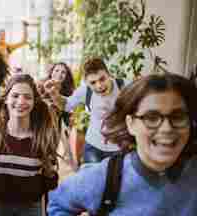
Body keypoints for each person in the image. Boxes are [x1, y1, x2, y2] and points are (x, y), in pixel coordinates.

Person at [48, 73, 197, 215]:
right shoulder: (104, 178)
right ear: (130, 124)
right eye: (151, 118)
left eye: (178, 117)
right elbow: (58, 202)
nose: (167, 128)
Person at [0, 74, 60, 216]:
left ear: (35, 102)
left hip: (31, 208)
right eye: (15, 96)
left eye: (27, 97)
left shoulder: (42, 139)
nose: (21, 101)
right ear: (5, 99)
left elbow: (51, 182)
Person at [45, 57, 128, 164]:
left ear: (109, 74)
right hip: (93, 147)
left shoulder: (124, 87)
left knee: (114, 180)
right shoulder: (85, 90)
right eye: (93, 82)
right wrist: (54, 94)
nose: (99, 86)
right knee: (93, 180)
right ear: (87, 82)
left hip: (119, 149)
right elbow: (67, 105)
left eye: (102, 79)